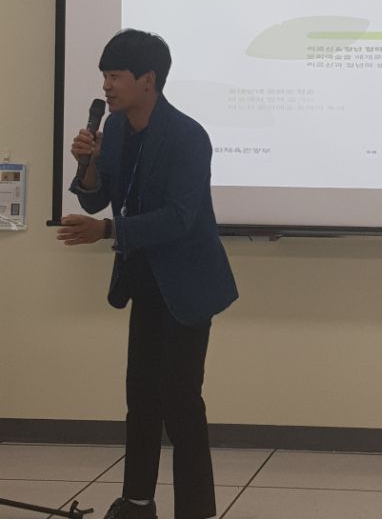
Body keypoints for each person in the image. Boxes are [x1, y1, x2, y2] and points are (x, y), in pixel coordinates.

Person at [58, 29, 238, 519]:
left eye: (115, 76)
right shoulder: (116, 129)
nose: (106, 86)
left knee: (180, 402)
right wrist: (88, 164)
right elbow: (95, 197)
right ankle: (137, 503)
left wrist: (107, 231)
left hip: (187, 286)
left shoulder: (187, 136)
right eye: (104, 75)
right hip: (144, 282)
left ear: (147, 79)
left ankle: (195, 511)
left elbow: (179, 219)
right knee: (141, 398)